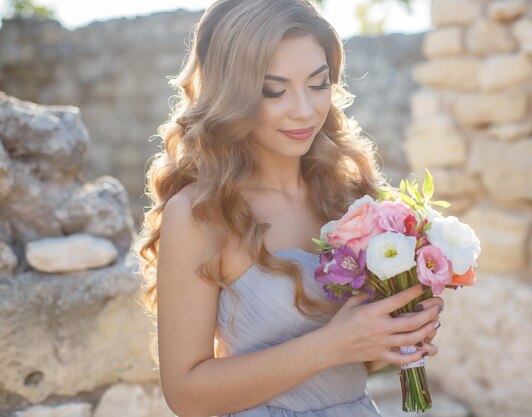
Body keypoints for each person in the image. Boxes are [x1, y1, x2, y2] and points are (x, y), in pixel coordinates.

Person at [133, 1, 444, 416]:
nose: (304, 109)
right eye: (274, 90)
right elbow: (186, 395)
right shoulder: (201, 214)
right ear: (232, 93)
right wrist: (333, 344)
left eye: (318, 83)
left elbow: (358, 364)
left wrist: (398, 328)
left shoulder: (350, 197)